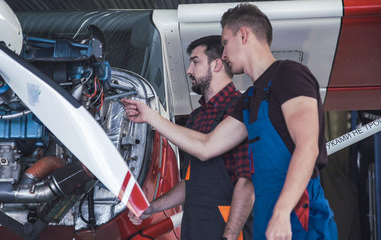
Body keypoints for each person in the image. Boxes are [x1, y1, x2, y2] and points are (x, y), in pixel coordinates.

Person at [123, 3, 338, 240]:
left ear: (243, 35)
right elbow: (206, 146)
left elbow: (307, 146)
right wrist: (150, 116)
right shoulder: (249, 101)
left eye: (225, 43)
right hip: (269, 219)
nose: (223, 54)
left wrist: (282, 211)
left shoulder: (289, 75)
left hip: (297, 213)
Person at [127, 35, 254, 240]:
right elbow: (190, 182)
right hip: (194, 228)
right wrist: (152, 208)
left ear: (216, 65)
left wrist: (229, 235)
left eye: (195, 62)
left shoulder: (240, 109)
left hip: (225, 228)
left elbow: (247, 183)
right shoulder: (197, 117)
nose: (188, 70)